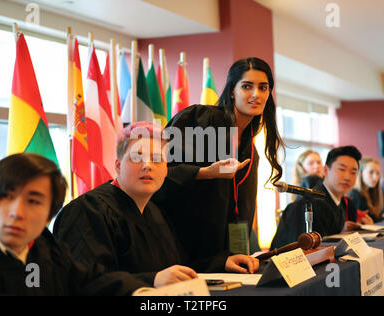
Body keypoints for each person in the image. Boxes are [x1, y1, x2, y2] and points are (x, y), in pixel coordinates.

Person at [54, 122, 259, 288]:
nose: (148, 165)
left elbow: (176, 266)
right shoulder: (88, 211)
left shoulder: (155, 212)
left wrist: (221, 262)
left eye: (157, 159)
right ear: (117, 165)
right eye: (137, 157)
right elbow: (84, 283)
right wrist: (151, 281)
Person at [153, 57, 284, 262]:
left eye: (263, 88)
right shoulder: (199, 120)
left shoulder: (250, 150)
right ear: (232, 91)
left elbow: (242, 210)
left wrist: (236, 255)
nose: (255, 94)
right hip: (177, 252)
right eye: (247, 86)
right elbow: (157, 176)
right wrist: (204, 173)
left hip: (219, 260)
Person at [0, 153, 148, 296]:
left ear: (49, 215)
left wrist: (147, 293)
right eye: (6, 196)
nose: (17, 213)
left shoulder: (47, 248)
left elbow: (92, 282)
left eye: (33, 201)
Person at [270, 146, 362, 249]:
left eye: (353, 172)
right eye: (341, 169)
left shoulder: (339, 203)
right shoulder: (308, 204)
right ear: (326, 170)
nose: (347, 177)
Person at [347, 157, 383, 223]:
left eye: (377, 173)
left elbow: (375, 219)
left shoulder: (372, 192)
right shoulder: (355, 194)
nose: (375, 177)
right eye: (371, 172)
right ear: (360, 173)